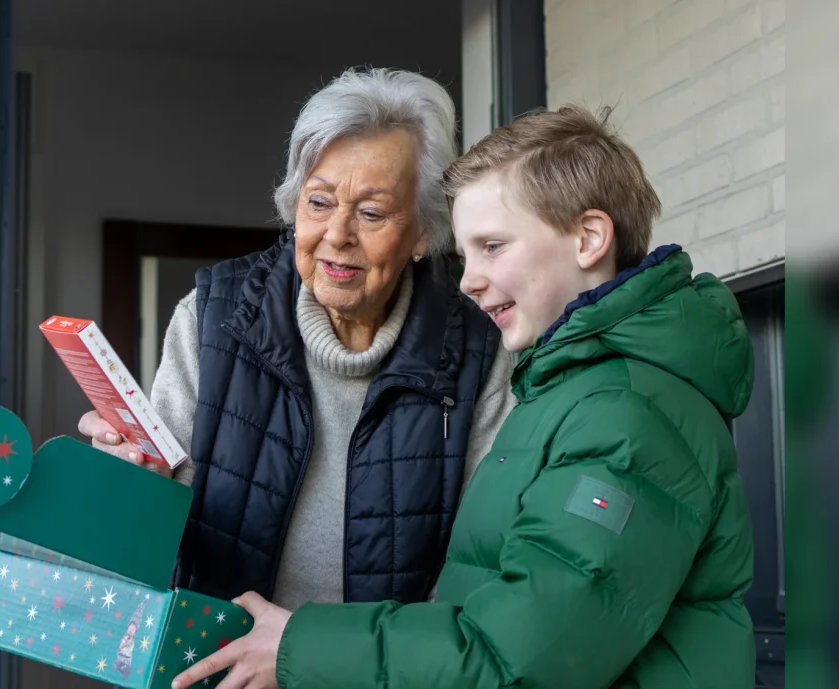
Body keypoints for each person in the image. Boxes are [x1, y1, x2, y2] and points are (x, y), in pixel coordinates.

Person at [171, 104, 758, 689]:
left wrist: (299, 645)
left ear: (589, 237)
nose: (470, 280)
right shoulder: (567, 388)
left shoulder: (627, 416)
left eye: (493, 247)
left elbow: (517, 660)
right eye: (467, 253)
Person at [80, 67, 517, 615]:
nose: (338, 234)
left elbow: (477, 568)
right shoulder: (213, 320)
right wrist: (136, 480)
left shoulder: (479, 349)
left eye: (372, 212)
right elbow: (162, 529)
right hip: (221, 660)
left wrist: (339, 662)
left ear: (424, 233)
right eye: (319, 202)